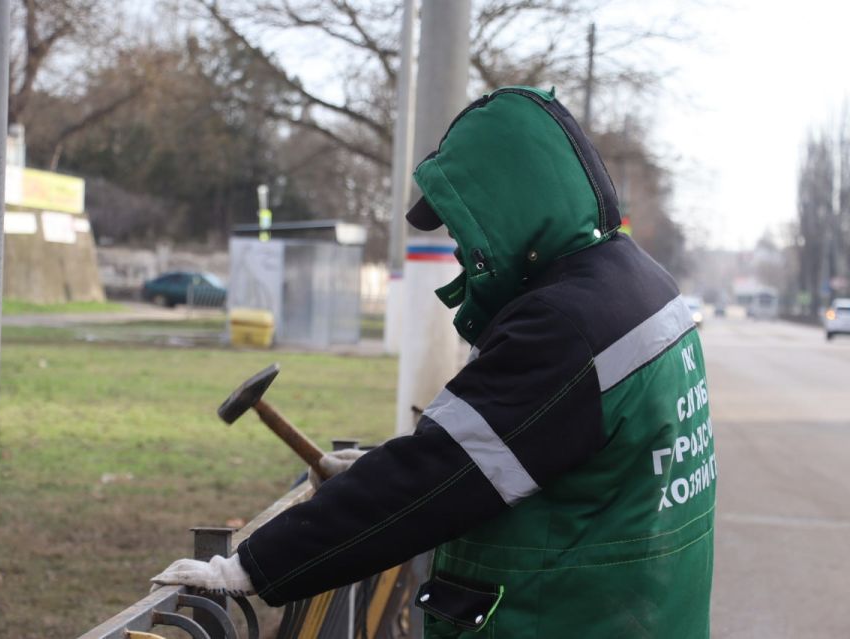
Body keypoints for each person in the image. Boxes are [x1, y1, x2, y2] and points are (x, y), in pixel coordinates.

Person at [152, 87, 716, 638]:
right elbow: (533, 445)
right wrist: (379, 464)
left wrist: (248, 567)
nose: (455, 247)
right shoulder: (639, 284)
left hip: (559, 616)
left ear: (507, 205)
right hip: (645, 608)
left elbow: (439, 476)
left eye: (463, 225)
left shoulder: (565, 326)